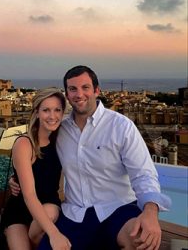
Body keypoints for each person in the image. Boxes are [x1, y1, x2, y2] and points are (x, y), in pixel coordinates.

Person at [10, 65, 171, 250]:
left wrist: (150, 212)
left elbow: (143, 174)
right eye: (73, 89)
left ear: (96, 90)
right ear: (67, 95)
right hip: (75, 214)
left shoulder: (120, 126)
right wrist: (15, 178)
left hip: (116, 209)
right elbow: (38, 157)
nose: (79, 94)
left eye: (85, 87)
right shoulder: (60, 130)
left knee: (142, 240)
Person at [0, 87, 71, 250]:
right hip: (20, 209)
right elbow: (29, 195)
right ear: (37, 112)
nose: (52, 116)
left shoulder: (62, 138)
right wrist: (54, 234)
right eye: (46, 110)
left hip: (48, 205)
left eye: (57, 110)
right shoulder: (25, 144)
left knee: (45, 219)